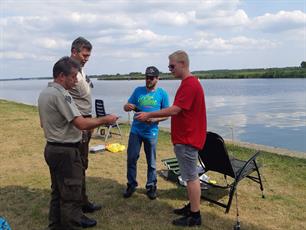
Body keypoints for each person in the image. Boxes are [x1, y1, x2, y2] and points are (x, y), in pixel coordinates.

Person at [38, 56, 118, 229]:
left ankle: (55, 226)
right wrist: (105, 119)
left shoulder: (45, 93)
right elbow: (81, 123)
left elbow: (42, 123)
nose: (76, 81)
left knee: (58, 193)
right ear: (61, 76)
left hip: (52, 148)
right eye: (73, 77)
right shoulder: (61, 94)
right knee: (71, 196)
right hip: (66, 151)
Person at [135, 51, 207, 227]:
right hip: (186, 138)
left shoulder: (190, 84)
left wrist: (149, 114)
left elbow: (175, 110)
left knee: (191, 177)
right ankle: (192, 207)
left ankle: (195, 215)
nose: (170, 69)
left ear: (182, 63)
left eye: (172, 66)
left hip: (188, 139)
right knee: (189, 176)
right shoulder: (189, 83)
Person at [123, 66, 169, 200]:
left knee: (152, 162)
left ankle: (151, 186)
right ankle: (131, 185)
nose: (148, 80)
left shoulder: (162, 93)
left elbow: (167, 114)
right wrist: (127, 107)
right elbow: (126, 106)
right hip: (136, 131)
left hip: (151, 132)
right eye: (146, 77)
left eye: (151, 78)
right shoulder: (138, 90)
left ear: (157, 78)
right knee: (131, 158)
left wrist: (154, 119)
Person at [68, 37, 100, 214]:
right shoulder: (67, 71)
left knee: (83, 164)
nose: (86, 58)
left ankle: (82, 200)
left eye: (89, 55)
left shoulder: (81, 70)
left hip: (86, 123)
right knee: (77, 166)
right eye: (84, 55)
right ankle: (77, 207)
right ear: (74, 51)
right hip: (78, 124)